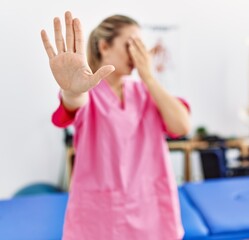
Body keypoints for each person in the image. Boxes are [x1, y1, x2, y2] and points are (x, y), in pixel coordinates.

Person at [40, 11, 190, 240]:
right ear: (104, 47)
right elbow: (73, 103)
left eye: (141, 45)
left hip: (151, 215)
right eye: (131, 44)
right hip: (100, 220)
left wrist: (148, 77)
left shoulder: (146, 93)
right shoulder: (89, 94)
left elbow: (181, 125)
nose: (138, 52)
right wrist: (73, 89)